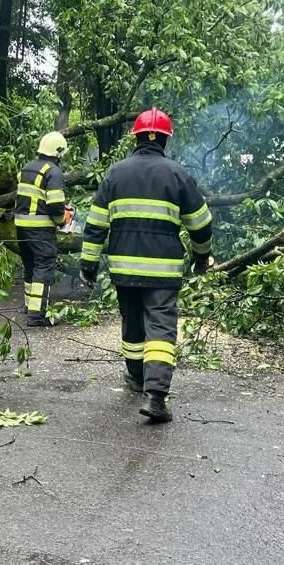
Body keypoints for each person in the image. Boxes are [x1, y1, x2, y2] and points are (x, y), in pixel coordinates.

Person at [79, 108, 212, 424]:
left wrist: (88, 264)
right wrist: (201, 257)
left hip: (124, 268)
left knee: (133, 326)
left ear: (136, 138)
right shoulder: (177, 174)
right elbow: (201, 224)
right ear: (165, 139)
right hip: (163, 271)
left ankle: (137, 378)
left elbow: (95, 225)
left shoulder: (115, 174)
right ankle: (155, 396)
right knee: (160, 329)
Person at [14, 131, 71, 327]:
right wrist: (62, 221)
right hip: (40, 228)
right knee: (44, 266)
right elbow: (55, 205)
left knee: (30, 266)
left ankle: (29, 305)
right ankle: (37, 315)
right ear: (58, 152)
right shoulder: (53, 172)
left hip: (21, 226)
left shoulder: (27, 168)